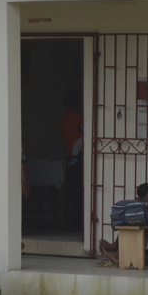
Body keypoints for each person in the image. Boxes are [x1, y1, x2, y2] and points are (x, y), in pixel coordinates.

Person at [60, 89, 84, 231]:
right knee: (81, 188)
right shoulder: (80, 118)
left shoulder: (63, 121)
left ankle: (71, 222)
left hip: (70, 155)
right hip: (81, 154)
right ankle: (80, 221)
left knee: (71, 188)